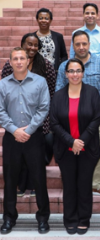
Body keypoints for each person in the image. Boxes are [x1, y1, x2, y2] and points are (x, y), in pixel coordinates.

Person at [0, 47, 50, 234]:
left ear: (28, 61)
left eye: (22, 58)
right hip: (12, 138)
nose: (19, 61)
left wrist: (28, 130)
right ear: (10, 62)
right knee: (10, 180)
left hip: (34, 137)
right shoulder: (3, 85)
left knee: (39, 179)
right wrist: (14, 130)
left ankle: (43, 218)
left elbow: (44, 108)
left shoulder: (40, 82)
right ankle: (9, 218)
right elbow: (0, 111)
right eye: (16, 59)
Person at [56, 30, 100, 197]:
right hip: (70, 115)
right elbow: (59, 90)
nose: (81, 47)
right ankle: (75, 182)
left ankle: (97, 184)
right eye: (77, 44)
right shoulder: (64, 66)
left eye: (84, 44)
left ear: (89, 44)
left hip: (96, 116)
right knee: (71, 149)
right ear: (73, 45)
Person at [50, 58, 100, 235]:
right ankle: (70, 219)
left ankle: (84, 219)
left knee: (84, 185)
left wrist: (82, 140)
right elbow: (54, 123)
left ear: (83, 72)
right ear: (65, 74)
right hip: (66, 149)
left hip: (88, 148)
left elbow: (96, 118)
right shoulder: (58, 96)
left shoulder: (92, 92)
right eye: (71, 71)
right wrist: (71, 141)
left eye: (78, 70)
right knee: (70, 185)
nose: (75, 74)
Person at [1, 32, 56, 197]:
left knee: (37, 169)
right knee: (12, 173)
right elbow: (2, 106)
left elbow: (47, 99)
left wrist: (30, 128)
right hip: (13, 129)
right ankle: (11, 213)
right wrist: (14, 129)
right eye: (28, 44)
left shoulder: (44, 68)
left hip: (38, 124)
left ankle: (41, 215)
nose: (32, 47)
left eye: (35, 45)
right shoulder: (5, 79)